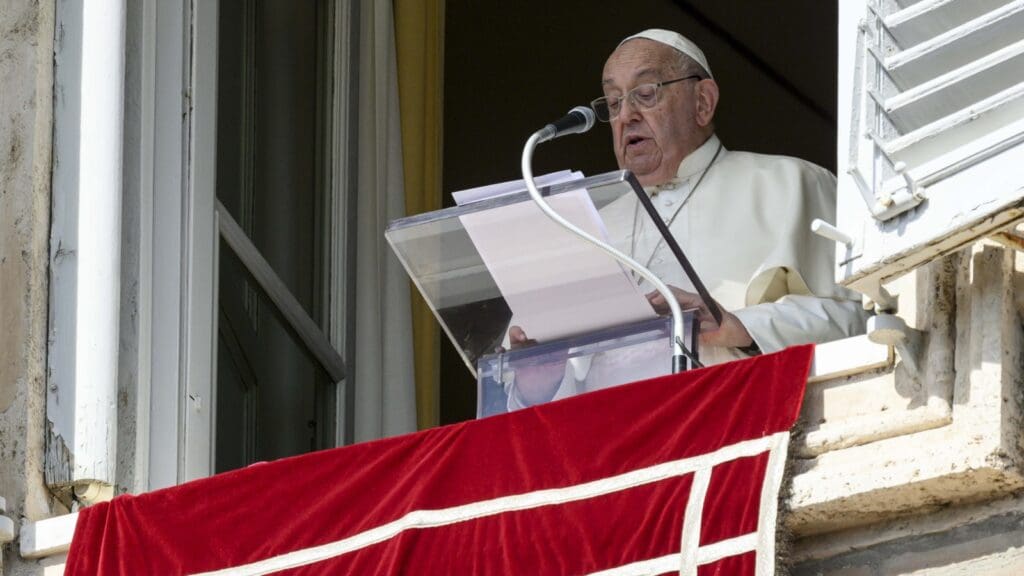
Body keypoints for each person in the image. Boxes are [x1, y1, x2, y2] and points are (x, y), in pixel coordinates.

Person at [505, 29, 868, 408]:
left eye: (646, 93)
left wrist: (739, 327)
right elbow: (540, 395)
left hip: (741, 421)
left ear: (703, 102)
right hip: (608, 438)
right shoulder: (583, 228)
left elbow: (860, 320)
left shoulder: (792, 183)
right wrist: (539, 384)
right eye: (613, 102)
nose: (626, 115)